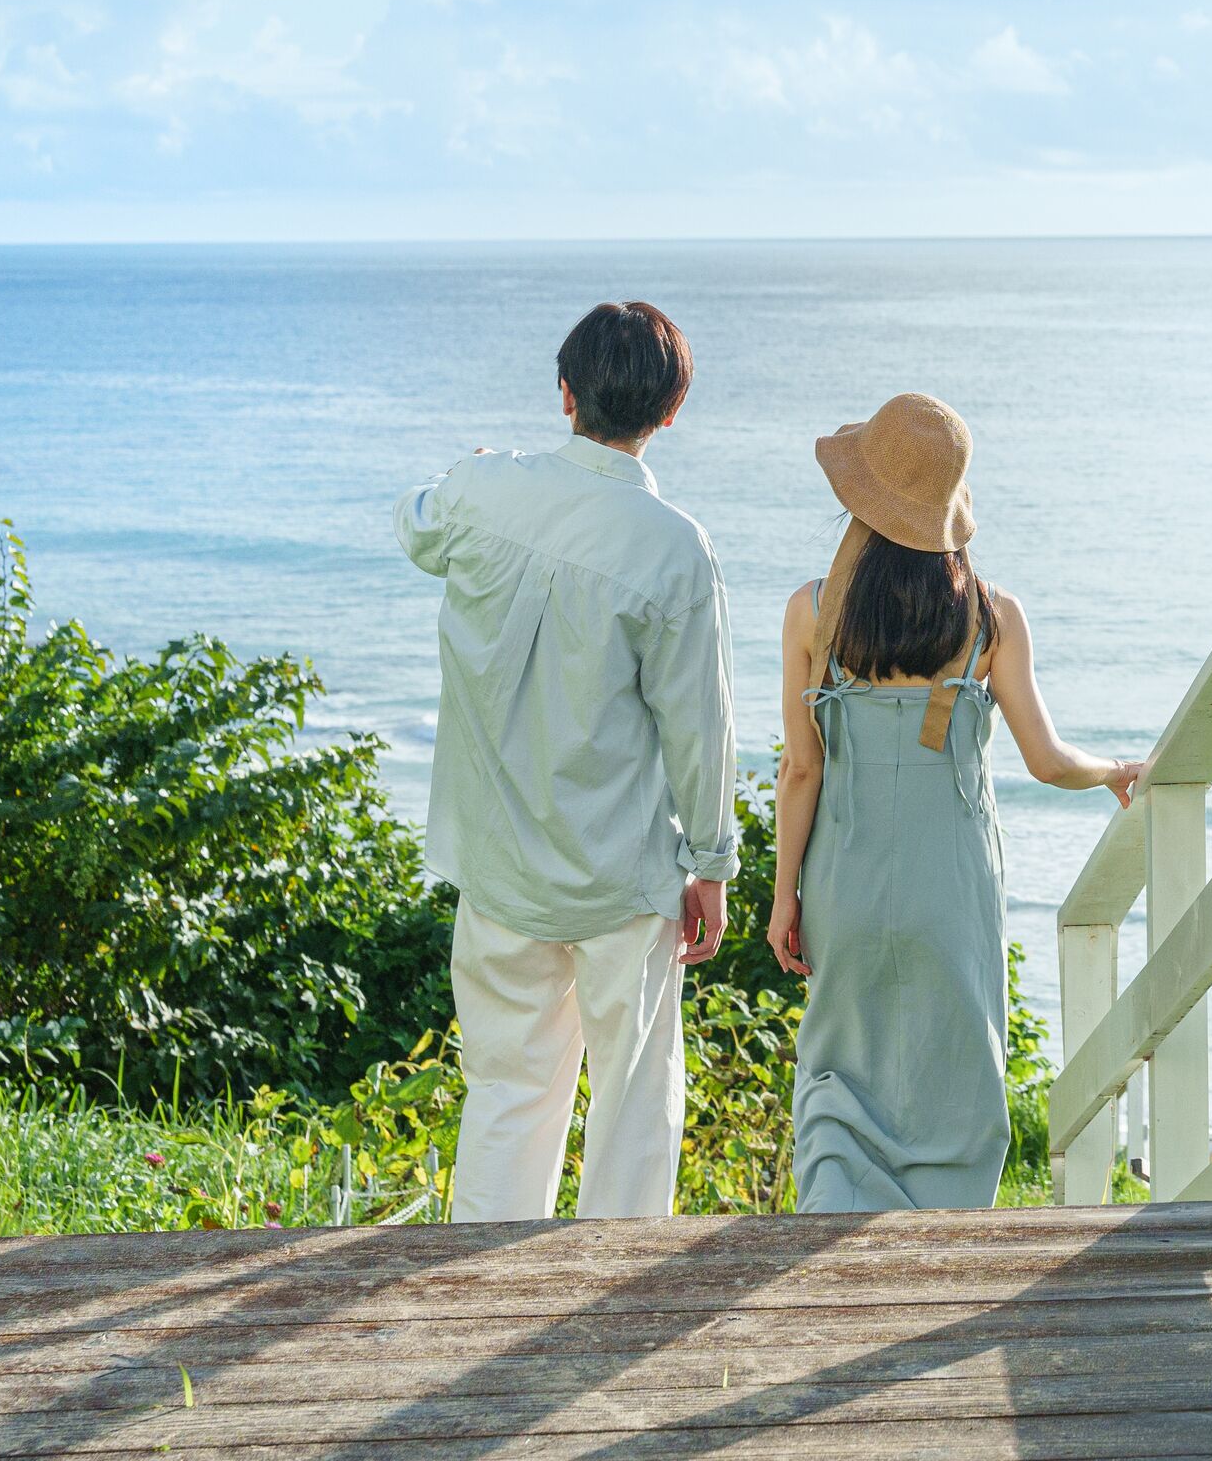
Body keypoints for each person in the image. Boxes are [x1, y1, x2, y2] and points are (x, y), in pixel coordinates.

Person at [398, 299, 737, 1222]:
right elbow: (697, 728)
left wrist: (469, 473)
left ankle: (480, 1288)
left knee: (508, 1092)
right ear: (669, 414)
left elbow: (414, 524)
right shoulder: (674, 549)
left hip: (498, 863)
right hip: (621, 873)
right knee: (632, 1108)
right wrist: (710, 865)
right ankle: (603, 1314)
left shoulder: (483, 492)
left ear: (564, 393)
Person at [768, 392, 1144, 1211]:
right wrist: (1114, 769)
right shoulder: (992, 618)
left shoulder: (811, 615)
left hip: (846, 878)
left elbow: (801, 772)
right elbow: (1046, 761)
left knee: (840, 1066)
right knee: (955, 1068)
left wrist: (784, 895)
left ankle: (832, 1228)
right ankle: (939, 1242)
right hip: (954, 884)